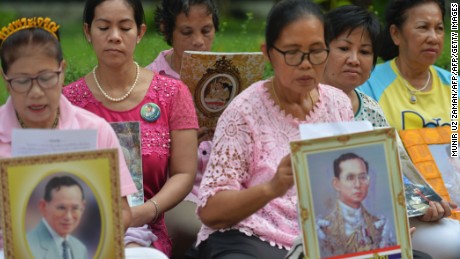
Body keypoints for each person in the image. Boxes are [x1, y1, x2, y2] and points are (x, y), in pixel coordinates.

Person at [195, 0, 354, 258]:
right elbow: (211, 211)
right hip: (250, 237)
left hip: (323, 238)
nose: (306, 64)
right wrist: (272, 188)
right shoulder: (244, 112)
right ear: (268, 53)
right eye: (292, 52)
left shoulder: (338, 104)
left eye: (316, 51)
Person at [321, 4, 460, 258]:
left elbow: (397, 169)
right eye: (343, 49)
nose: (354, 59)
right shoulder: (372, 87)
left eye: (440, 28)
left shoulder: (371, 108)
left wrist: (422, 201)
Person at [62, 0, 199, 256]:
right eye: (103, 27)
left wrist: (143, 213)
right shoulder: (67, 101)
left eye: (125, 28)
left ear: (140, 33)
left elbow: (184, 173)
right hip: (81, 224)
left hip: (150, 222)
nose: (114, 37)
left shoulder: (172, 94)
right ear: (87, 32)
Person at [0, 16, 136, 252]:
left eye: (46, 78)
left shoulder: (96, 130)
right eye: (22, 81)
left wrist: (93, 229)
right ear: (6, 81)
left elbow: (123, 212)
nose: (36, 92)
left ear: (62, 71)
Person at [145, 1, 219, 257]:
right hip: (175, 196)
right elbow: (143, 163)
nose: (198, 41)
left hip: (225, 190)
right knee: (214, 232)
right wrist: (183, 146)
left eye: (206, 30)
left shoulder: (228, 77)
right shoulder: (149, 84)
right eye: (187, 32)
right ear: (167, 30)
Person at [358, 0, 450, 130]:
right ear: (395, 34)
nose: (434, 38)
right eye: (423, 27)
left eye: (439, 28)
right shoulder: (367, 84)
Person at [317, 153, 396, 257]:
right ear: (336, 184)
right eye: (350, 178)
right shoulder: (321, 228)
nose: (358, 185)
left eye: (363, 177)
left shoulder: (381, 225)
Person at [27, 175, 88, 259]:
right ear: (43, 207)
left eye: (75, 208)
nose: (68, 217)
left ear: (83, 206)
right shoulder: (25, 247)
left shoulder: (80, 249)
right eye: (61, 208)